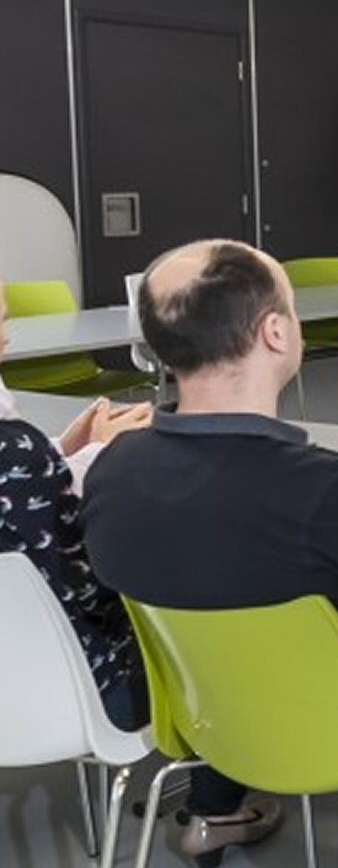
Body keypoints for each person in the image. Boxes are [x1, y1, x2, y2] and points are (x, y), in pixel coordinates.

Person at [84, 240, 338, 867]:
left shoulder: (112, 471)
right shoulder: (329, 489)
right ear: (277, 331)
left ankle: (216, 808)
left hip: (203, 722)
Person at [0, 279, 151, 731]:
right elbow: (81, 580)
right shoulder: (16, 449)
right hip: (82, 685)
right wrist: (100, 454)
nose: (7, 336)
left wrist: (61, 453)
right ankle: (217, 799)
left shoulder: (19, 448)